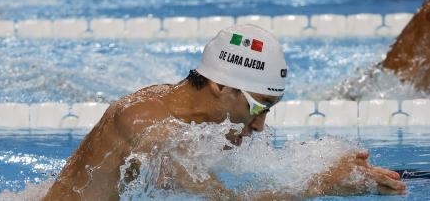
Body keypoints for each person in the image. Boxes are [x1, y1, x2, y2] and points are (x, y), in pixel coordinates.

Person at [44, 24, 405, 200]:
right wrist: (322, 184)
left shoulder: (183, 116)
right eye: (258, 106)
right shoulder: (144, 123)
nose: (261, 125)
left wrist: (336, 170)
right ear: (220, 86)